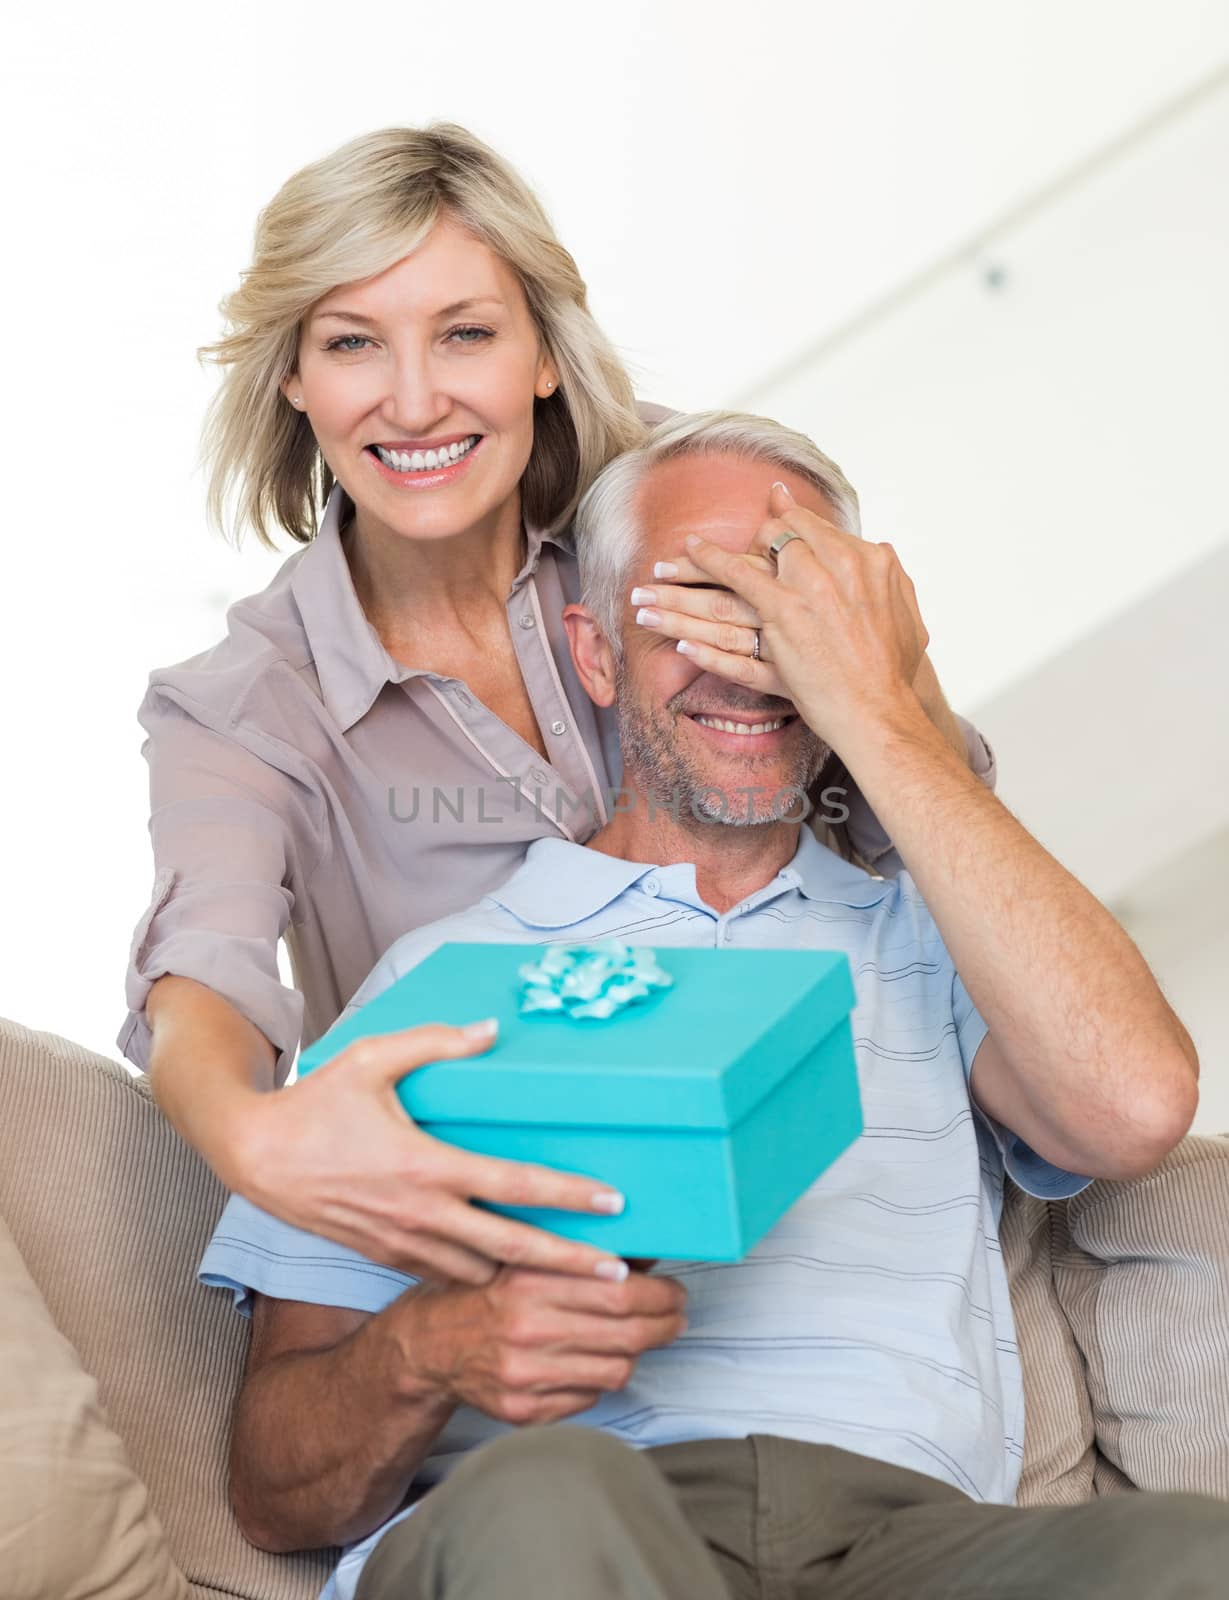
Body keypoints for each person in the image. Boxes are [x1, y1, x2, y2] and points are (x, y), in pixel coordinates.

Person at [198, 412, 1216, 1600]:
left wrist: (878, 707)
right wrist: (433, 1347)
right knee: (546, 1497)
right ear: (592, 652)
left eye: (783, 604)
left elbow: (1134, 1106)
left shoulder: (945, 944)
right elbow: (274, 1488)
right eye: (693, 600)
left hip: (905, 1544)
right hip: (575, 1505)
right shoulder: (438, 976)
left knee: (1191, 1555)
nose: (744, 655)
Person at [118, 124, 994, 1283]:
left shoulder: (670, 526)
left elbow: (925, 810)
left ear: (542, 349)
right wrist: (250, 1135)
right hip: (514, 1246)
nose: (416, 401)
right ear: (292, 375)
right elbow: (205, 969)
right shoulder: (246, 707)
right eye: (352, 343)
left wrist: (872, 656)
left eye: (465, 333)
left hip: (822, 1172)